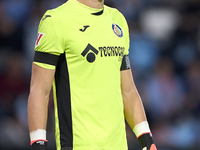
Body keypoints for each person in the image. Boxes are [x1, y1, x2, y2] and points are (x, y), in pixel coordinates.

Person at [27, 0, 157, 150]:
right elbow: (39, 91)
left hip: (119, 145)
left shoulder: (117, 19)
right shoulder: (56, 20)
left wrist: (147, 140)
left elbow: (128, 90)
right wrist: (38, 144)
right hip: (77, 145)